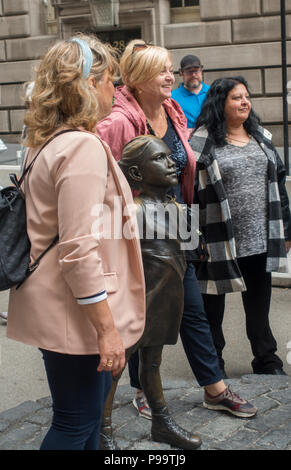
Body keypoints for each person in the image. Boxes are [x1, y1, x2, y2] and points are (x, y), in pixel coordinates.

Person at [97, 40, 257, 422]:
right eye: (161, 70)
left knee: (191, 308)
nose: (171, 75)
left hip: (175, 218)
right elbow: (97, 175)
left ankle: (214, 388)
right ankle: (139, 388)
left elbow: (185, 169)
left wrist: (192, 228)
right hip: (137, 227)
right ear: (136, 78)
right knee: (142, 310)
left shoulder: (174, 112)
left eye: (170, 68)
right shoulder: (118, 121)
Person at [6, 34, 146, 450]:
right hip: (78, 312)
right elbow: (78, 249)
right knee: (75, 421)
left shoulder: (45, 142)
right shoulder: (82, 147)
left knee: (82, 421)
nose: (116, 90)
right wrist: (107, 330)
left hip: (62, 304)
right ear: (87, 84)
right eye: (111, 81)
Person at [101, 135, 202, 450]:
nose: (171, 162)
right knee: (117, 368)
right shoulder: (132, 211)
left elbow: (185, 248)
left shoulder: (175, 206)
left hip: (165, 298)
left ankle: (162, 422)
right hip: (137, 301)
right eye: (159, 159)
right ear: (136, 175)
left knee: (153, 361)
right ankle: (102, 431)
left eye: (170, 157)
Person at [191, 76, 291, 376]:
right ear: (220, 103)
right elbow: (191, 195)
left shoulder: (260, 136)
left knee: (259, 305)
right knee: (213, 309)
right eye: (237, 97)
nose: (245, 102)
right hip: (218, 239)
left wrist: (286, 228)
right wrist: (195, 240)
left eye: (246, 97)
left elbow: (279, 184)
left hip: (261, 238)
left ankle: (266, 359)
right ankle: (213, 364)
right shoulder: (202, 141)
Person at [171, 54, 210, 135]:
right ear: (181, 72)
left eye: (196, 70)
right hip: (186, 144)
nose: (193, 75)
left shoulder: (214, 92)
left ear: (201, 71)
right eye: (189, 71)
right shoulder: (172, 98)